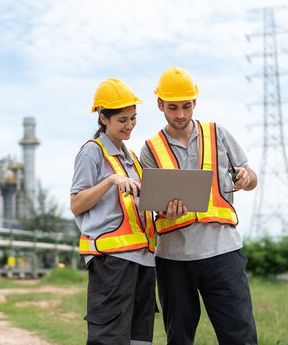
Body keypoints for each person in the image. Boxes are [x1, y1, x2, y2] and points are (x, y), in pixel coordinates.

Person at [140, 66, 258, 345]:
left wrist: (246, 177)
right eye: (172, 107)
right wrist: (164, 209)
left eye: (186, 106)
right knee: (179, 339)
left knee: (239, 336)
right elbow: (153, 204)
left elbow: (252, 178)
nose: (180, 114)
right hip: (173, 260)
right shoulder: (150, 149)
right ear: (160, 105)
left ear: (195, 102)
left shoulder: (219, 134)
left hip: (223, 253)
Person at [70, 78, 157, 345]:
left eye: (133, 118)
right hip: (112, 261)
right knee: (110, 337)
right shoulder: (91, 153)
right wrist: (110, 181)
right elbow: (76, 203)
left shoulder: (133, 160)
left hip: (144, 260)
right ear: (103, 118)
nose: (129, 125)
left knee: (139, 337)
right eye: (122, 120)